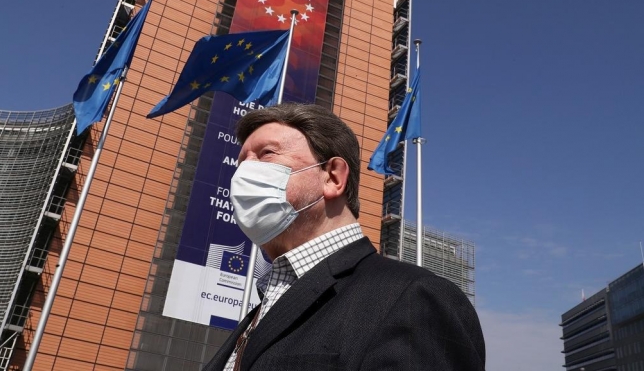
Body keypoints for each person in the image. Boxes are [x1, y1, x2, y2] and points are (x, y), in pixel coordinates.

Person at [202, 103, 485, 371]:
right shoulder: (260, 312)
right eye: (241, 162)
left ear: (333, 177)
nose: (244, 173)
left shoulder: (413, 297)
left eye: (266, 154)